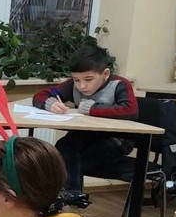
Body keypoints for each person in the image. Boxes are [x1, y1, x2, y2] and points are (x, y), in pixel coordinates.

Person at [32, 43, 137, 208]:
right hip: (86, 136)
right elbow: (41, 95)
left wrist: (93, 109)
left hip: (116, 139)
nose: (81, 86)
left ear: (105, 74)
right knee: (63, 147)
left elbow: (130, 110)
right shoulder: (73, 85)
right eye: (76, 80)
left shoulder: (120, 85)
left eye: (88, 79)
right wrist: (49, 103)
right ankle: (72, 197)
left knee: (71, 160)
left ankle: (72, 199)